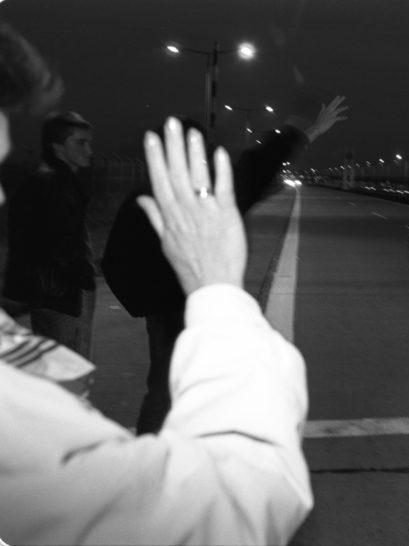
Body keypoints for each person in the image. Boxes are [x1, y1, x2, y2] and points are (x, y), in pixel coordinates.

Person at [0, 23, 312, 545]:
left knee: (140, 387)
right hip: (102, 302)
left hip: (109, 302)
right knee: (157, 388)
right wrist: (219, 292)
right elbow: (237, 507)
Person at [102, 94, 347, 434]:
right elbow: (256, 167)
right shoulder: (205, 196)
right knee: (187, 390)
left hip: (168, 315)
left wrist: (147, 303)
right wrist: (303, 132)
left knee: (168, 388)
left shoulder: (144, 197)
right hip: (195, 313)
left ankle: (163, 460)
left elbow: (114, 262)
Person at [3, 109, 97, 359]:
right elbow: (63, 243)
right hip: (65, 295)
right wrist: (82, 277)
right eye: (80, 143)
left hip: (45, 294)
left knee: (53, 366)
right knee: (71, 367)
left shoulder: (36, 181)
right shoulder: (60, 185)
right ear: (57, 147)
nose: (89, 150)